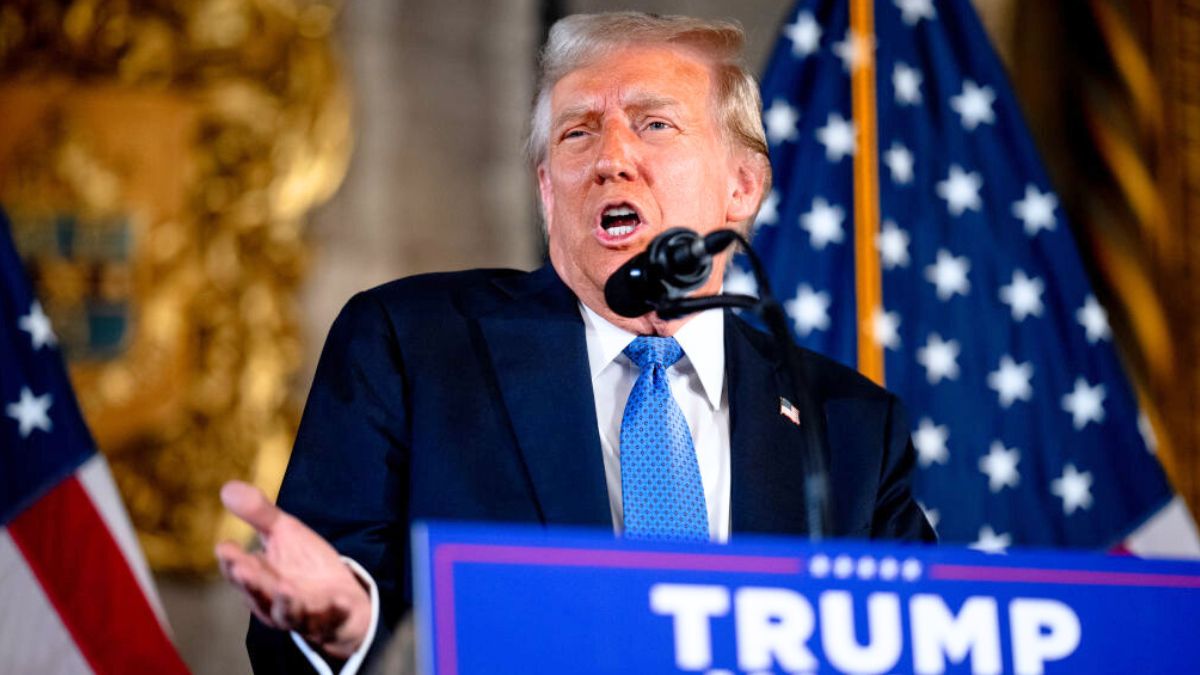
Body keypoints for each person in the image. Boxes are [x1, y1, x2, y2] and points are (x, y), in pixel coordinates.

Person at [216, 11, 935, 674]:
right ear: (547, 190)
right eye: (577, 132)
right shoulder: (414, 347)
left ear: (742, 185)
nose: (610, 158)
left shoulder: (848, 427)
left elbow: (927, 646)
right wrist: (349, 628)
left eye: (654, 125)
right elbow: (297, 625)